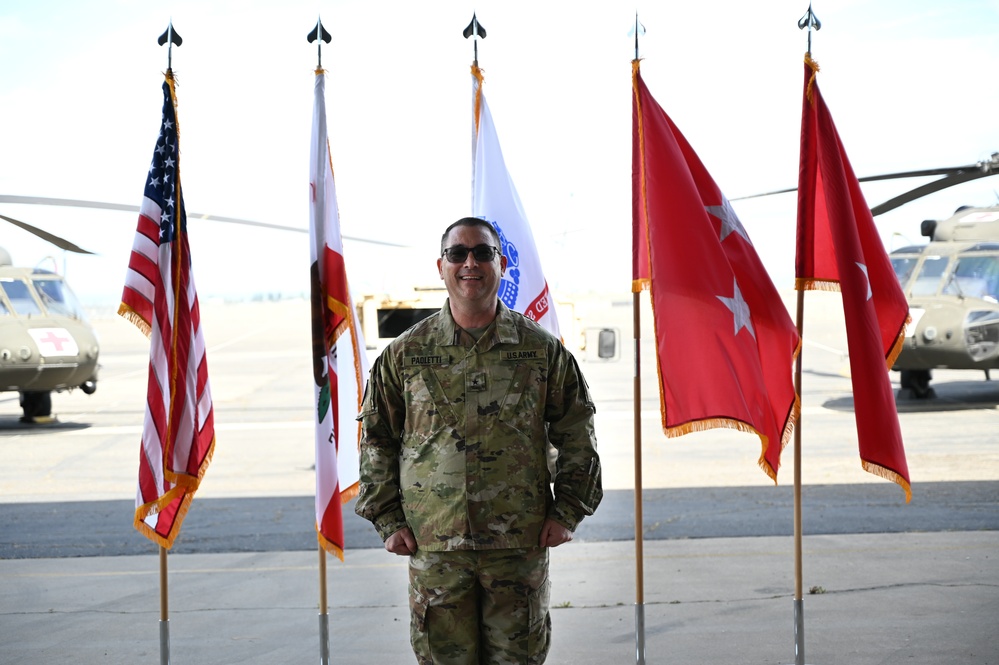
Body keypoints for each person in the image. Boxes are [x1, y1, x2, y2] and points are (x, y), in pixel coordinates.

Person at [355, 216, 602, 664]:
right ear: (441, 266)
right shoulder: (405, 354)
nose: (470, 263)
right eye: (458, 253)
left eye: (482, 252)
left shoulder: (540, 351)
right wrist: (388, 519)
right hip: (435, 546)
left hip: (517, 544)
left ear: (501, 263)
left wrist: (568, 510)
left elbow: (576, 431)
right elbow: (377, 439)